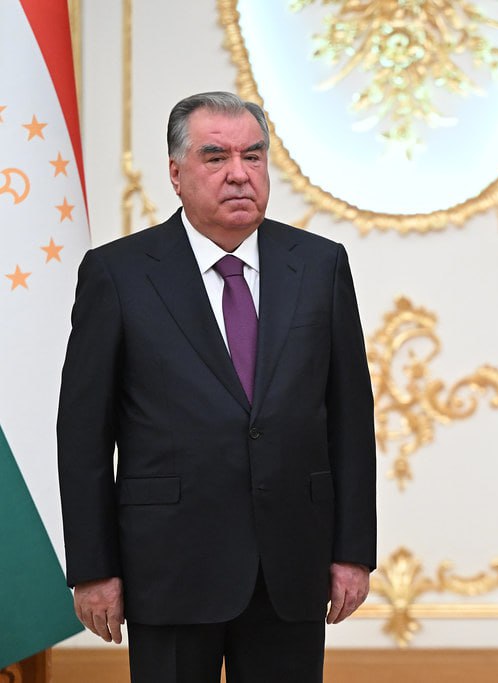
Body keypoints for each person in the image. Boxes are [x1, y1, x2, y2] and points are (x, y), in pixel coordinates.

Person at [56, 91, 376, 683]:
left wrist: (352, 552)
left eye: (253, 156)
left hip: (291, 567)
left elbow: (350, 419)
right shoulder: (118, 273)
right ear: (176, 174)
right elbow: (83, 436)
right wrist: (94, 568)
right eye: (215, 157)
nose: (238, 173)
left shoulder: (319, 265)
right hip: (168, 566)